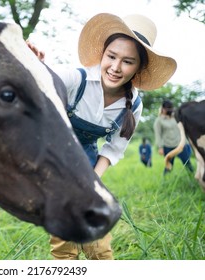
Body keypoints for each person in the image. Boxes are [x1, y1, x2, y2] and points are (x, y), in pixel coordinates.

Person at [28, 13, 176, 259]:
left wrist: (92, 183)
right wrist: (34, 68)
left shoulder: (134, 105)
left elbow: (113, 149)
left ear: (138, 67)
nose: (116, 68)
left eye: (128, 61)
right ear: (103, 54)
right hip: (52, 155)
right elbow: (36, 95)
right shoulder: (77, 79)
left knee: (97, 233)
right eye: (111, 56)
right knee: (65, 231)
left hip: (87, 161)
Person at [153, 100, 194, 174]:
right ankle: (165, 182)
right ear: (163, 109)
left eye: (170, 108)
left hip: (180, 145)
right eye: (167, 108)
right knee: (168, 166)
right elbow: (158, 135)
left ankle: (194, 178)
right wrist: (160, 147)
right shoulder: (159, 121)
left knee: (188, 164)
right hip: (168, 146)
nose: (169, 110)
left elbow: (183, 129)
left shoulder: (176, 117)